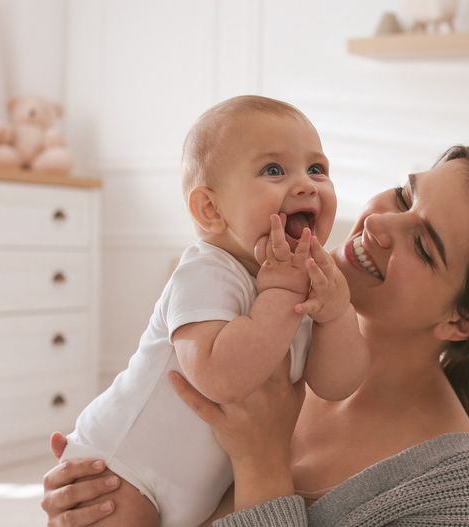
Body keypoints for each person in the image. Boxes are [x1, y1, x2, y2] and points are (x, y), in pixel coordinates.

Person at [41, 144, 469, 526]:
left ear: (458, 322)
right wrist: (100, 489)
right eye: (404, 195)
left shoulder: (456, 495)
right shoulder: (265, 318)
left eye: (423, 245)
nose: (378, 223)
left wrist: (261, 464)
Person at [58, 96, 369, 527]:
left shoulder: (306, 280)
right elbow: (221, 377)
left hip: (197, 495)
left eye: (317, 169)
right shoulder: (206, 272)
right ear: (211, 209)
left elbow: (337, 383)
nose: (306, 185)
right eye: (274, 170)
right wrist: (279, 291)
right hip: (123, 472)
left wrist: (336, 313)